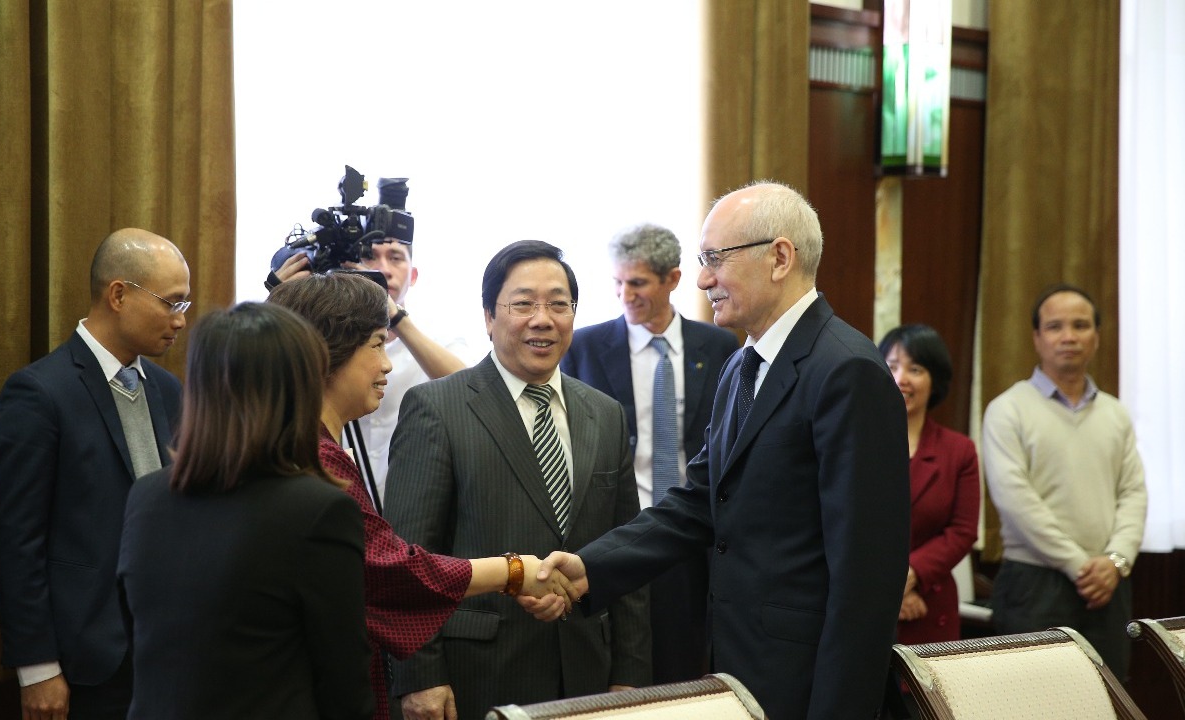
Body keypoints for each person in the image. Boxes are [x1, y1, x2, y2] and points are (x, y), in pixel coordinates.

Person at [534, 181, 911, 719]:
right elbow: (700, 501)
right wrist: (589, 568)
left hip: (805, 684)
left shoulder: (846, 371)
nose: (703, 279)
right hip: (736, 668)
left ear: (780, 258)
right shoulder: (741, 365)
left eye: (715, 259)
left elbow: (866, 578)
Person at [267, 272, 577, 720]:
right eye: (377, 345)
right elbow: (391, 570)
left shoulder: (304, 449)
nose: (388, 365)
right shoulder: (315, 460)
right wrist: (513, 571)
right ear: (325, 354)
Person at [384, 240, 651, 720]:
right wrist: (419, 677)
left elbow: (625, 552)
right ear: (489, 317)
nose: (542, 319)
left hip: (588, 673)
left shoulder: (605, 413)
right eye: (523, 304)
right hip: (476, 675)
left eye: (558, 304)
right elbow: (407, 561)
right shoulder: (437, 408)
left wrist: (629, 674)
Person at [117, 302, 373, 720]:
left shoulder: (146, 497)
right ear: (297, 391)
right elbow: (344, 678)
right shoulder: (319, 510)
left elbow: (140, 640)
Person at [0, 228, 190, 720]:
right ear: (118, 295)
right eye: (171, 303)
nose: (180, 320)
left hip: (165, 652)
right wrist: (37, 667)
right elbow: (16, 540)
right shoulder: (40, 392)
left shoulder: (167, 390)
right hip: (85, 660)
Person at [560, 223, 737, 682]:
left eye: (637, 283)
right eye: (618, 282)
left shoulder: (719, 346)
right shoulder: (584, 348)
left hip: (689, 533)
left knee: (683, 666)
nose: (625, 295)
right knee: (619, 666)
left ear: (672, 279)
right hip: (617, 530)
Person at [982, 283, 1147, 680]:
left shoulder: (1115, 414)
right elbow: (1015, 499)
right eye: (1055, 327)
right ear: (1037, 338)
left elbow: (1133, 493)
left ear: (1097, 337)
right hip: (1034, 585)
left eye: (1080, 325)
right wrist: (1079, 565)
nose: (1069, 336)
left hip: (1108, 586)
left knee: (1110, 699)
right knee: (1032, 699)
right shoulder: (1008, 409)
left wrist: (1116, 561)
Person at [268, 178, 466, 507]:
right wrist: (280, 301)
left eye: (396, 258)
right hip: (330, 496)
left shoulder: (440, 339)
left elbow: (470, 393)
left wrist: (397, 319)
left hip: (411, 504)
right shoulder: (321, 341)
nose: (383, 270)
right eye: (371, 257)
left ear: (414, 275)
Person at [879, 324, 980, 645]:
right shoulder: (859, 443)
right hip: (864, 601)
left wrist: (911, 576)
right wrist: (888, 587)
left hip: (929, 607)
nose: (901, 378)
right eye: (892, 366)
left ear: (934, 379)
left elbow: (962, 531)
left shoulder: (959, 451)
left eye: (915, 369)